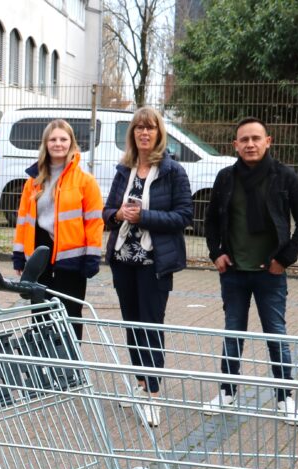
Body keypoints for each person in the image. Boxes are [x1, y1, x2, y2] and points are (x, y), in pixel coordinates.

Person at [202, 117, 298, 420]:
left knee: (275, 333)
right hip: (234, 273)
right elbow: (211, 220)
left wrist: (284, 259)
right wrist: (216, 254)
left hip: (270, 273)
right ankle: (227, 392)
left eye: (256, 138)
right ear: (235, 145)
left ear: (268, 141)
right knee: (233, 332)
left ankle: (285, 396)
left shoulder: (284, 177)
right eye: (244, 139)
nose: (250, 144)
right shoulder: (226, 178)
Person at [103, 107, 193, 427]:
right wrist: (118, 216)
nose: (144, 133)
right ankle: (140, 386)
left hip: (154, 262)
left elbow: (184, 216)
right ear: (132, 134)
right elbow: (107, 212)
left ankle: (154, 394)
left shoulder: (173, 171)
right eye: (139, 128)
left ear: (159, 133)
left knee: (150, 327)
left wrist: (145, 217)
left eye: (150, 128)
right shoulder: (123, 169)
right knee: (132, 325)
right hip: (123, 260)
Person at [11, 119, 104, 339]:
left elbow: (94, 221)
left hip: (71, 259)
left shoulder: (85, 181)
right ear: (45, 144)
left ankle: (70, 367)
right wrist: (19, 256)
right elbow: (23, 221)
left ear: (71, 143)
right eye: (53, 139)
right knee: (40, 314)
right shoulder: (33, 181)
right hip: (39, 255)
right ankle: (44, 367)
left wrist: (92, 256)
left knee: (69, 314)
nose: (58, 144)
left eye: (63, 139)